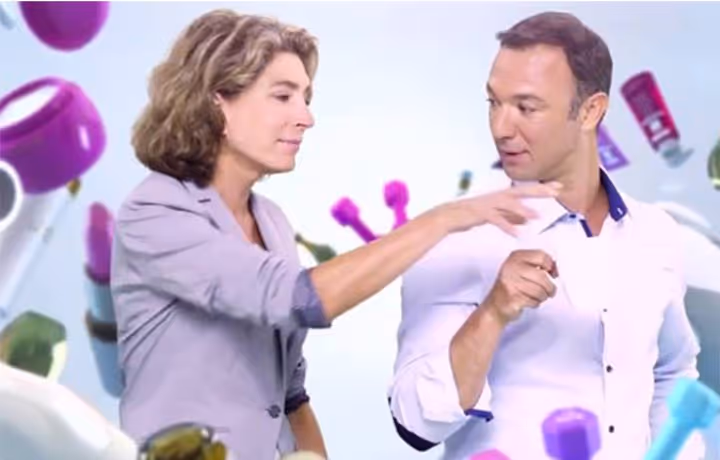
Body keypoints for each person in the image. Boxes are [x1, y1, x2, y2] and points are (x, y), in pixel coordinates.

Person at [109, 9, 560, 460]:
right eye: (283, 96)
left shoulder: (271, 222)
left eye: (306, 98)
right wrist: (444, 219)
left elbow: (290, 396)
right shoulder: (156, 213)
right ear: (217, 102)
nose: (306, 117)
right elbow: (298, 298)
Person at [387, 11, 704, 460]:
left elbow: (671, 374)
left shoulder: (656, 234)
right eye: (494, 103)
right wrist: (492, 314)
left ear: (591, 111)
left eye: (526, 108)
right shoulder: (456, 238)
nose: (501, 127)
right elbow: (414, 423)